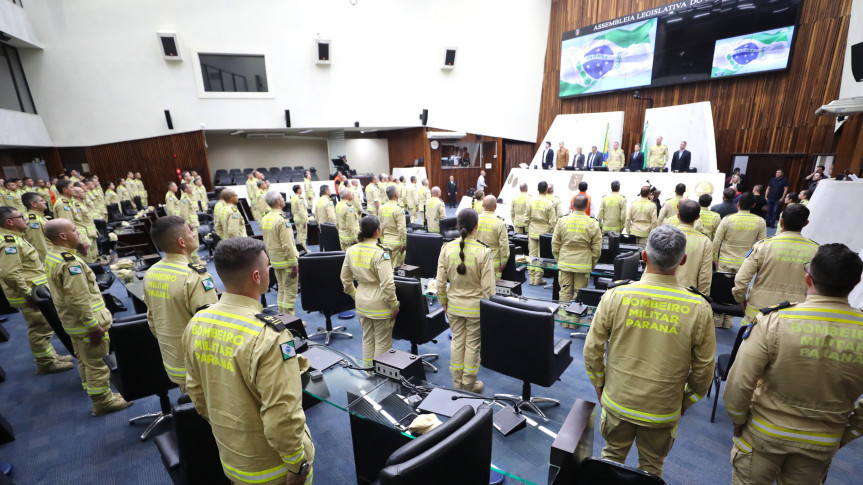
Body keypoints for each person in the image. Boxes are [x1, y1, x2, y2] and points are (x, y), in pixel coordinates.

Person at [724, 243, 863, 485]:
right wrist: (847, 434)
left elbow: (739, 382)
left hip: (764, 434)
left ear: (808, 278)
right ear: (856, 282)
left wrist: (738, 420)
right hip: (822, 440)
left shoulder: (774, 321)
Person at [584, 225, 715, 477]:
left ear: (644, 256)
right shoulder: (699, 308)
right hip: (663, 409)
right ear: (683, 260)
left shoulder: (615, 296)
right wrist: (685, 401)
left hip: (618, 400)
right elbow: (704, 370)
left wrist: (599, 386)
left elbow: (592, 350)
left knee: (610, 459)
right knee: (652, 468)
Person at [182, 237, 314, 485]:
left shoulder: (196, 323)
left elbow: (196, 392)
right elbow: (282, 414)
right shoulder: (269, 336)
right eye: (267, 265)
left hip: (233, 458)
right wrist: (297, 465)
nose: (269, 270)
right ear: (257, 276)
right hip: (274, 470)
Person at [44, 219, 133, 415]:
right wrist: (93, 326)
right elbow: (79, 299)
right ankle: (103, 402)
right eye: (74, 230)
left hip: (72, 322)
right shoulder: (70, 263)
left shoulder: (53, 255)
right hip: (87, 323)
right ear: (63, 236)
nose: (78, 233)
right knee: (97, 363)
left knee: (85, 360)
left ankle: (95, 393)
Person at [144, 216, 218, 390]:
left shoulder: (151, 272)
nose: (193, 234)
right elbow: (210, 328)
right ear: (181, 241)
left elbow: (152, 320)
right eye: (189, 232)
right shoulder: (194, 277)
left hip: (172, 360)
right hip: (199, 366)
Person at [0, 207, 74, 375]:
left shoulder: (16, 238)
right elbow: (10, 274)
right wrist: (28, 294)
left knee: (45, 326)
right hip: (30, 294)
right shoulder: (9, 242)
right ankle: (45, 363)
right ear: (9, 222)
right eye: (20, 216)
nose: (24, 218)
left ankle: (50, 356)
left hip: (35, 291)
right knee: (39, 328)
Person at [435, 209, 495, 392]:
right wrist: (488, 310)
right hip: (475, 309)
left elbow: (439, 282)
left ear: (458, 225)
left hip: (453, 305)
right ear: (476, 227)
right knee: (472, 345)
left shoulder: (446, 248)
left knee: (457, 341)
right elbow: (489, 289)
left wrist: (443, 302)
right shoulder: (483, 251)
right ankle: (468, 385)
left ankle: (456, 382)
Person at [732, 204, 818, 325]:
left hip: (758, 311)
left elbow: (741, 280)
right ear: (806, 223)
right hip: (794, 314)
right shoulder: (816, 251)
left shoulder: (763, 246)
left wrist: (740, 300)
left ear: (781, 221)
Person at [341, 216, 399, 367]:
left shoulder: (351, 250)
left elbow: (345, 280)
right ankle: (379, 379)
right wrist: (394, 305)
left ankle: (368, 373)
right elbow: (387, 284)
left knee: (367, 339)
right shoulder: (381, 253)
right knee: (382, 342)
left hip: (361, 301)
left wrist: (355, 295)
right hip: (379, 303)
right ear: (377, 232)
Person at [712, 192, 767, 327]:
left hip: (725, 260)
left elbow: (716, 242)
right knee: (737, 290)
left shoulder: (727, 220)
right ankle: (729, 321)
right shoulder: (760, 222)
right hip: (745, 264)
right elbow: (762, 245)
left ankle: (718, 319)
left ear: (738, 204)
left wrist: (715, 259)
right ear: (753, 205)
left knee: (721, 290)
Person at [552, 195, 601, 327]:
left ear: (572, 205)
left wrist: (558, 259)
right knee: (579, 293)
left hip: (565, 262)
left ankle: (564, 320)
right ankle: (574, 322)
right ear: (586, 207)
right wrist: (592, 263)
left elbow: (555, 243)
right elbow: (597, 248)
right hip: (583, 264)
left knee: (564, 291)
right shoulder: (592, 223)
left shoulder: (563, 221)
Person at [261, 192, 300, 315]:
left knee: (281, 289)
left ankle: (283, 317)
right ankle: (290, 320)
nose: (284, 200)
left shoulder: (266, 218)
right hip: (287, 261)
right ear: (278, 201)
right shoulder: (282, 219)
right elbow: (287, 244)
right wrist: (294, 264)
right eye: (282, 198)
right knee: (290, 292)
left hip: (275, 260)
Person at [673, 200, 713, 295]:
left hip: (663, 290)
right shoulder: (705, 242)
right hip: (689, 293)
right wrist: (704, 297)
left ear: (678, 215)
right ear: (698, 217)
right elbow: (705, 276)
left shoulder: (665, 235)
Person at [524, 181, 558, 286]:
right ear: (546, 190)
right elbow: (553, 221)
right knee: (540, 257)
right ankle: (537, 279)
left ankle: (531, 279)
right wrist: (551, 233)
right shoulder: (549, 203)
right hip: (544, 233)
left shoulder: (531, 201)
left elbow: (526, 218)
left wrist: (527, 230)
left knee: (531, 256)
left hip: (532, 231)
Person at [476, 196, 509, 279]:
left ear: (482, 206)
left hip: (476, 259)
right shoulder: (500, 223)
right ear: (495, 206)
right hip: (493, 261)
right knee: (493, 288)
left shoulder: (475, 220)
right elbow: (504, 245)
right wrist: (504, 262)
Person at [380, 185, 407, 268]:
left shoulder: (381, 208)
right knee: (396, 268)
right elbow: (402, 228)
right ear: (396, 194)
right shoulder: (398, 209)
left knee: (387, 266)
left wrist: (382, 242)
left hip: (385, 243)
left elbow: (380, 226)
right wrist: (405, 243)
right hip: (397, 245)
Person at [21, 192, 52, 260]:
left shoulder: (40, 217)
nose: (45, 202)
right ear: (33, 204)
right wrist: (45, 262)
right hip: (46, 256)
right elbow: (38, 244)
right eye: (41, 200)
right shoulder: (33, 220)